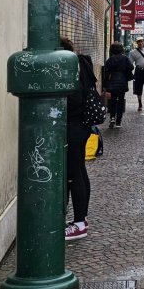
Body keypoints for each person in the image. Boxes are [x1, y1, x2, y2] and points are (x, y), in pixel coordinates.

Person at [60, 37, 92, 241]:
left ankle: (79, 224)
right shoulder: (81, 66)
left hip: (73, 126)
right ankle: (82, 219)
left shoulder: (71, 70)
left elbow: (74, 100)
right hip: (81, 125)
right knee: (79, 171)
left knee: (73, 175)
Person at [101, 42, 135, 128]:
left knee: (113, 100)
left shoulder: (110, 59)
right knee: (120, 101)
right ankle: (118, 121)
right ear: (121, 49)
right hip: (122, 81)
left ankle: (112, 118)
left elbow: (106, 72)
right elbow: (131, 67)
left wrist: (104, 85)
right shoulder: (125, 58)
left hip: (113, 81)